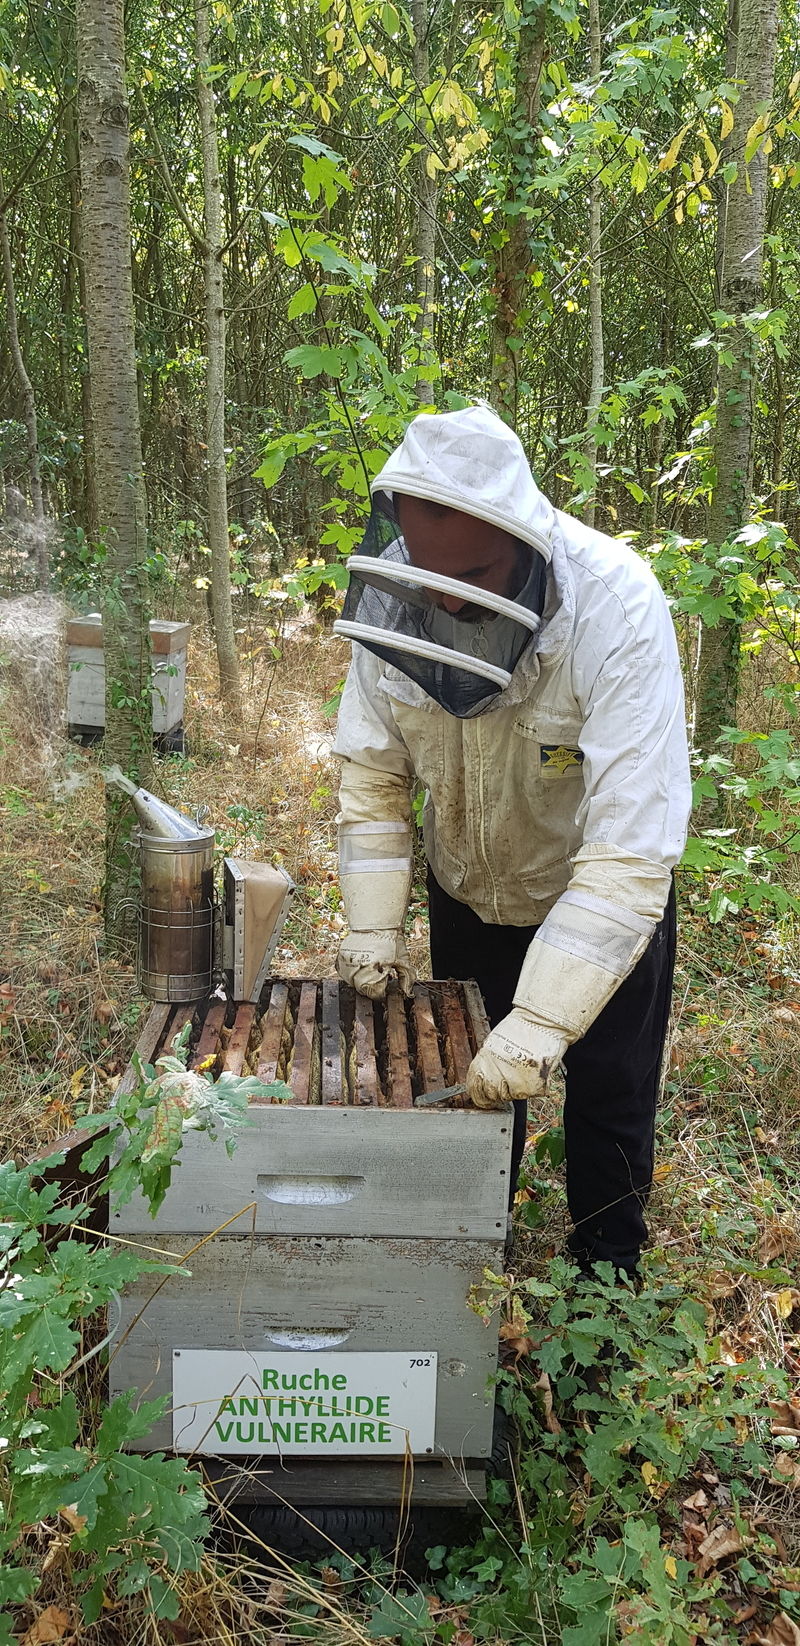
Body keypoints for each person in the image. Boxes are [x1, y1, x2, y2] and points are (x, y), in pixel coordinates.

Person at [331, 404, 691, 1276]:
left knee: (608, 1100)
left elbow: (631, 849)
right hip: (468, 891)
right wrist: (375, 928)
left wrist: (542, 1019)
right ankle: (472, 1261)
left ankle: (606, 1281)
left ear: (523, 536)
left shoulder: (615, 606)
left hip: (593, 900)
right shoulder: (398, 601)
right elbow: (374, 778)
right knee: (476, 1094)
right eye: (432, 575)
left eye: (476, 575)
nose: (450, 599)